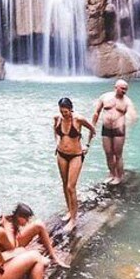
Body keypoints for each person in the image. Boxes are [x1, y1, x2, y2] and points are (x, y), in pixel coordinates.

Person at [53, 97, 96, 232]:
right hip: (61, 154)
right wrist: (56, 143)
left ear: (71, 109)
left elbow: (92, 130)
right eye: (61, 111)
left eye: (66, 112)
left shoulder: (79, 119)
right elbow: (55, 131)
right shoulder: (57, 118)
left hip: (76, 155)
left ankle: (73, 219)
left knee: (71, 187)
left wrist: (87, 145)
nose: (64, 114)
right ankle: (69, 210)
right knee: (64, 183)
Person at [92, 79, 137, 185]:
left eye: (126, 89)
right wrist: (92, 126)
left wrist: (129, 123)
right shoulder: (105, 97)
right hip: (106, 128)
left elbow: (133, 115)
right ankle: (112, 173)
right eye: (122, 88)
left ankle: (119, 176)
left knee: (118, 154)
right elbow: (96, 112)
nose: (124, 91)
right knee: (108, 153)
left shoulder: (127, 101)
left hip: (119, 129)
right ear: (116, 87)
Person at [1, 203, 69, 268]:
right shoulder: (9, 227)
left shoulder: (12, 220)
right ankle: (52, 257)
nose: (27, 221)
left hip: (15, 243)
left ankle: (53, 256)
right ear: (19, 216)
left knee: (39, 224)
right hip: (11, 251)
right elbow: (12, 247)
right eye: (26, 219)